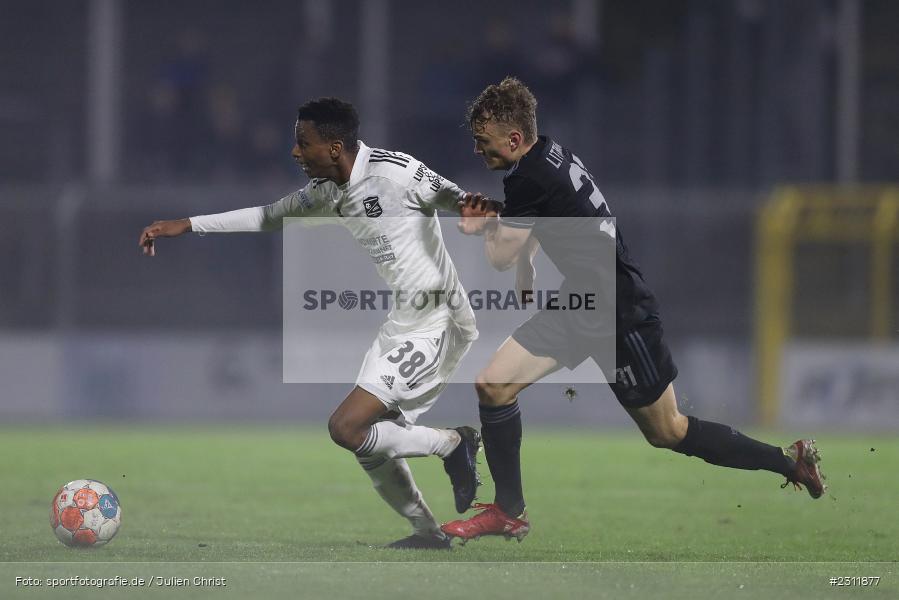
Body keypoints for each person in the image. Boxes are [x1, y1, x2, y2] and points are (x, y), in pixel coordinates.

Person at [441, 77, 826, 543]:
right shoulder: (547, 155)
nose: (479, 152)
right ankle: (509, 510)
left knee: (668, 431)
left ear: (514, 138)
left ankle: (789, 461)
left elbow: (501, 253)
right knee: (494, 385)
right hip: (582, 303)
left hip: (618, 312)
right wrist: (526, 263)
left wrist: (480, 229)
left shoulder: (527, 175)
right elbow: (548, 218)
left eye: (483, 144)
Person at [139, 97, 482, 550]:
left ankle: (454, 444)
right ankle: (427, 532)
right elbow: (266, 217)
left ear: (335, 147)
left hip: (440, 317)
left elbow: (460, 200)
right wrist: (186, 224)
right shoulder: (327, 192)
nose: (295, 153)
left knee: (345, 427)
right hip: (401, 323)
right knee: (363, 440)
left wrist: (486, 215)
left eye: (304, 144)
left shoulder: (393, 173)